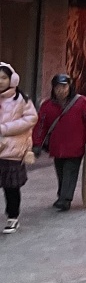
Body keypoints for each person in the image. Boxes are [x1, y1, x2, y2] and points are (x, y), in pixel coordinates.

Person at [32, 74, 86, 211]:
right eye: (57, 87)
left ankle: (65, 199)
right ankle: (62, 195)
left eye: (64, 86)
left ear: (70, 87)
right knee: (61, 172)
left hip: (75, 146)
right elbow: (40, 126)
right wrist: (37, 144)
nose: (61, 90)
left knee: (70, 170)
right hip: (57, 147)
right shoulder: (47, 106)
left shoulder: (82, 102)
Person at [0, 63, 37, 234]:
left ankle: (12, 217)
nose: (1, 81)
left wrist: (5, 128)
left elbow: (31, 119)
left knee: (11, 187)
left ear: (12, 79)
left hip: (12, 151)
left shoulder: (21, 99)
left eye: (4, 78)